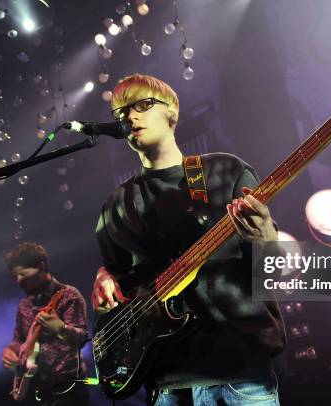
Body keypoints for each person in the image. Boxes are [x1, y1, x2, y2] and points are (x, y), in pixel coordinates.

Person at [92, 74, 286, 405]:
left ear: (172, 113)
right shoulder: (115, 205)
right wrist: (103, 278)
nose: (129, 116)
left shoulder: (226, 171)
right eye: (121, 111)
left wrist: (262, 234)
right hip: (167, 382)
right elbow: (117, 282)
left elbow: (272, 270)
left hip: (240, 376)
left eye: (142, 104)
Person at [1, 242, 89, 405]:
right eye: (15, 276)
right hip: (37, 389)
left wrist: (62, 328)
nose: (18, 280)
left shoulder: (69, 295)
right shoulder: (24, 305)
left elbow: (83, 339)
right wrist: (9, 351)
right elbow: (18, 340)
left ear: (41, 267)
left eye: (23, 274)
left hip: (68, 389)